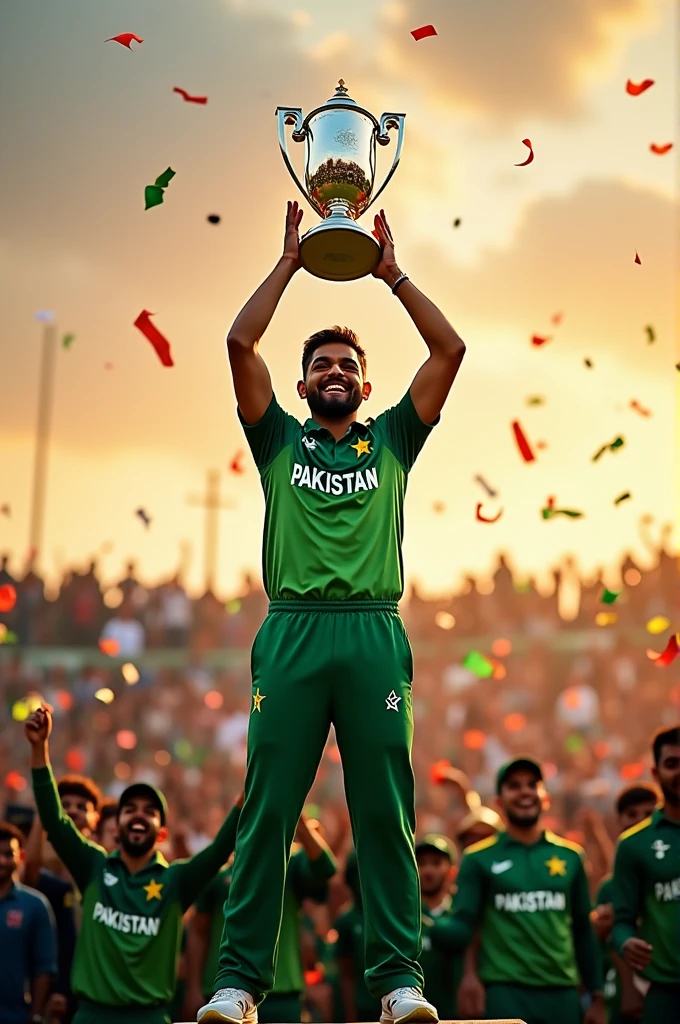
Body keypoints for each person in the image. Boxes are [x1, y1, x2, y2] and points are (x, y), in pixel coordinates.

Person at [199, 201, 466, 1024]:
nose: (334, 370)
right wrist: (288, 263)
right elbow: (240, 344)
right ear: (306, 381)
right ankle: (241, 984)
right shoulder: (278, 439)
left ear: (365, 381)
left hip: (374, 632)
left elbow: (450, 349)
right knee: (268, 808)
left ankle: (397, 985)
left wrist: (391, 274)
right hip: (292, 631)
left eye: (346, 360)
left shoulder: (392, 439)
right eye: (320, 363)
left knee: (383, 812)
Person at [24, 702, 243, 1024]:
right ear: (118, 822)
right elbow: (55, 821)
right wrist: (40, 749)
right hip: (90, 1017)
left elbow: (223, 846)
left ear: (162, 831)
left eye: (149, 811)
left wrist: (251, 789)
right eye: (130, 809)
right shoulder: (94, 867)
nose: (139, 815)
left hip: (150, 1017)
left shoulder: (177, 881)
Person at [430, 756, 605, 1024]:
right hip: (504, 992)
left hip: (562, 995)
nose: (524, 791)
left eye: (532, 784)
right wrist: (423, 919)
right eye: (513, 785)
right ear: (499, 801)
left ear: (545, 797)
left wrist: (597, 995)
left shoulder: (572, 857)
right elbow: (466, 927)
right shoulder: (478, 859)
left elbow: (582, 929)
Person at [186, 814, 336, 1023]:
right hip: (224, 996)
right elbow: (198, 931)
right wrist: (193, 989)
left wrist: (295, 818)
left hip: (283, 992)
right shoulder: (218, 877)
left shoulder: (289, 868)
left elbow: (325, 868)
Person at [611, 725, 680, 1024]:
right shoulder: (633, 845)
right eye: (671, 764)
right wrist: (627, 942)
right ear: (655, 773)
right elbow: (622, 921)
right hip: (665, 996)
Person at [23, 774, 102, 1024]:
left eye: (82, 807)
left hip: (94, 985)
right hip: (51, 984)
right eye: (64, 804)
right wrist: (44, 812)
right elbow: (30, 874)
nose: (73, 811)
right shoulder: (46, 873)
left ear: (95, 818)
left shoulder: (103, 869)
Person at [591, 784, 658, 1024]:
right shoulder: (610, 887)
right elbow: (614, 936)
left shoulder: (670, 868)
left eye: (648, 814)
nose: (640, 821)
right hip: (624, 995)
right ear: (619, 822)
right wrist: (629, 987)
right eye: (632, 815)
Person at [0, 820, 57, 1024]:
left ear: (21, 856)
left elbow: (44, 967)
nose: (2, 861)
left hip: (16, 1016)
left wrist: (35, 1014)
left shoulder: (35, 905)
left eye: (8, 854)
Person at [332, 850, 382, 1024]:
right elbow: (346, 973)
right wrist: (351, 1017)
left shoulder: (390, 916)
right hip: (364, 1006)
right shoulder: (346, 920)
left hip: (394, 1001)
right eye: (356, 874)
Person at [415, 835, 460, 1020]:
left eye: (436, 863)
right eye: (422, 863)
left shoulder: (462, 912)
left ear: (452, 871)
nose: (428, 871)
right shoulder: (403, 915)